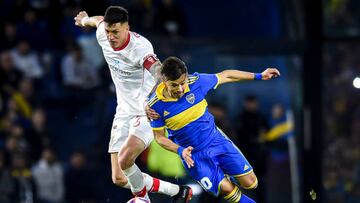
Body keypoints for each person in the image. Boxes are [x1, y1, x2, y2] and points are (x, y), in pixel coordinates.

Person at [74, 6, 192, 202]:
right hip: (123, 111)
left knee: (126, 158)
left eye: (116, 32)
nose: (111, 37)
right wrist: (85, 20)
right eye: (109, 32)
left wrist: (157, 91)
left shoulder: (141, 47)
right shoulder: (102, 34)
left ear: (127, 27)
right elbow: (98, 21)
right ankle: (178, 192)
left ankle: (142, 198)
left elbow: (156, 69)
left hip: (146, 111)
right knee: (119, 177)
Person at [148, 56, 280, 203]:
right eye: (174, 85)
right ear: (164, 82)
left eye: (182, 83)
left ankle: (225, 172)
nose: (180, 89)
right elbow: (159, 137)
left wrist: (259, 75)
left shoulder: (197, 82)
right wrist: (180, 150)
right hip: (194, 155)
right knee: (225, 189)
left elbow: (226, 75)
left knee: (251, 183)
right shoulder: (155, 106)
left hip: (216, 140)